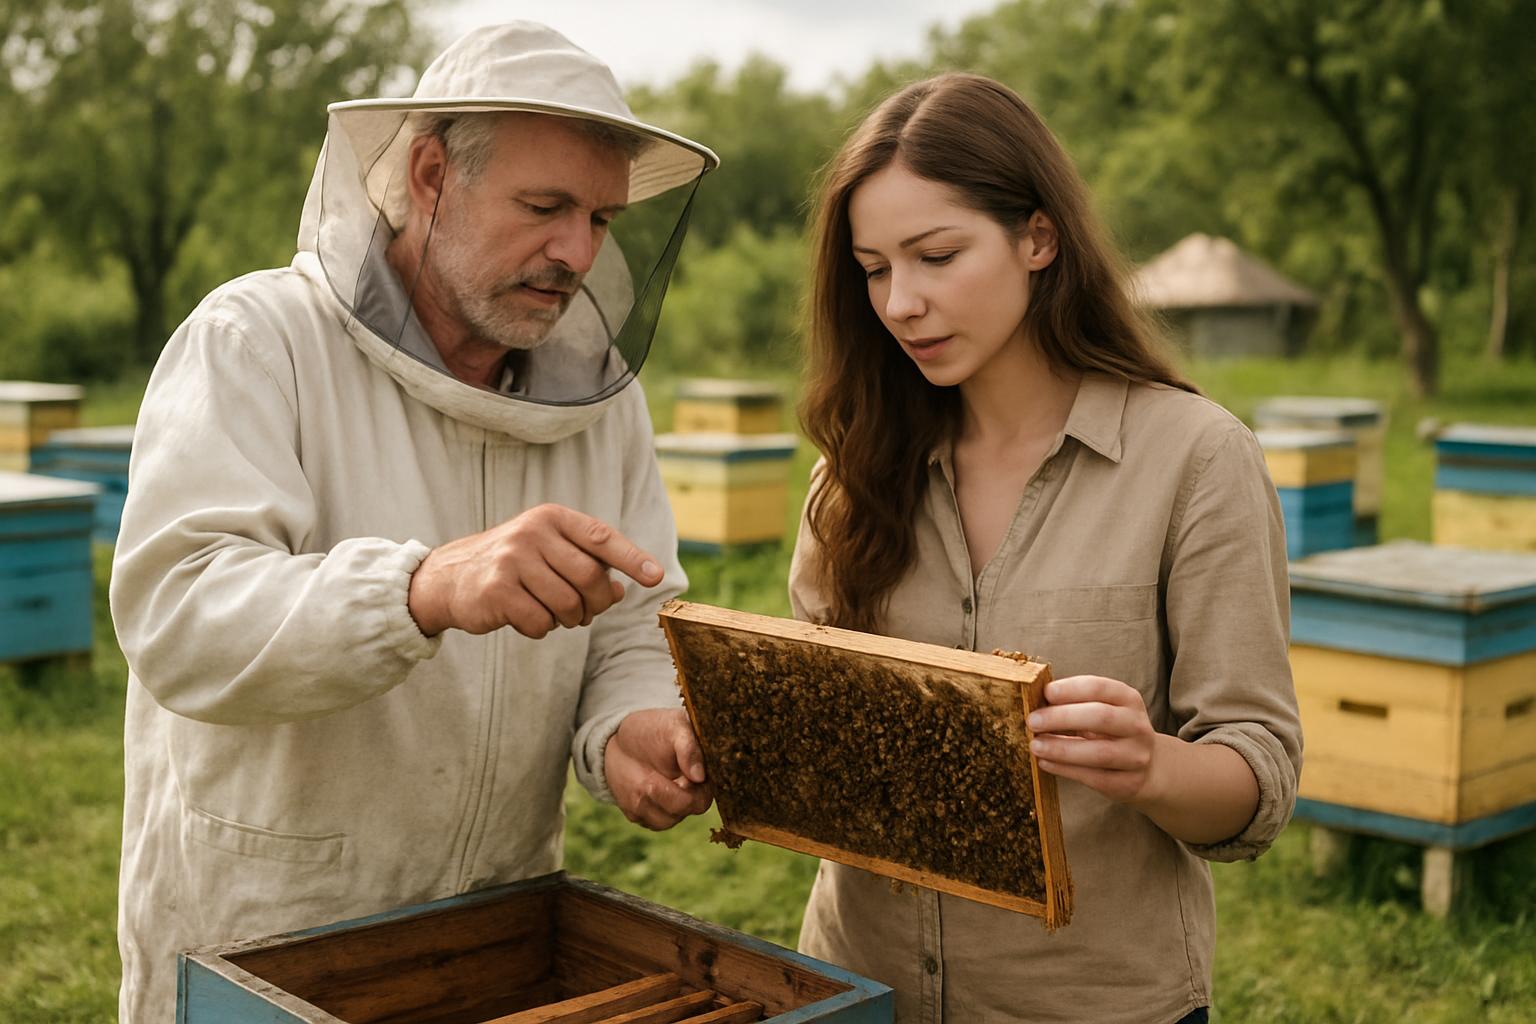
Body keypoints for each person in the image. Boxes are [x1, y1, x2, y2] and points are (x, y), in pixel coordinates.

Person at [109, 23, 719, 1022]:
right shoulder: (257, 342)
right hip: (268, 938)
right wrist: (419, 588)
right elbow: (180, 617)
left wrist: (630, 724)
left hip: (497, 930)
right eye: (544, 206)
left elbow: (629, 619)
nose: (576, 250)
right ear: (430, 174)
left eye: (601, 219)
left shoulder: (599, 404)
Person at [789, 73, 1302, 1023]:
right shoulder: (851, 473)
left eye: (936, 256)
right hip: (856, 990)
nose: (900, 303)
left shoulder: (1196, 460)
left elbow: (1257, 774)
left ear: (1037, 238)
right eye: (872, 268)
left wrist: (1150, 764)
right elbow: (814, 735)